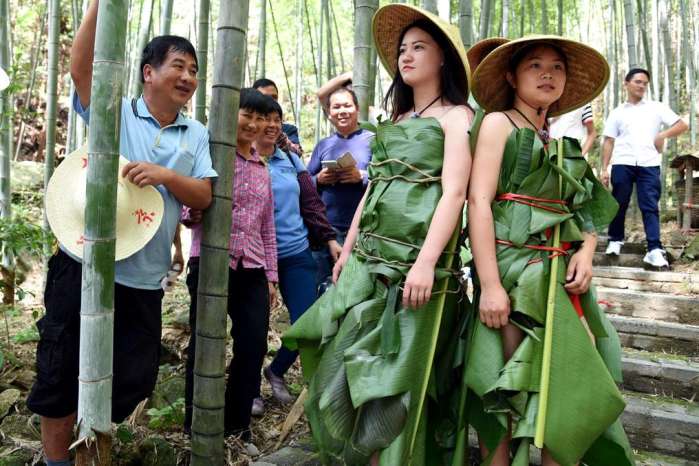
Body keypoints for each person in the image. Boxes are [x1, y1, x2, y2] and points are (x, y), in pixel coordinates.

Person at [26, 2, 217, 465]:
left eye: (193, 69)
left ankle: (89, 449)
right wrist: (99, 5)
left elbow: (205, 196)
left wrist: (165, 175)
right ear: (148, 72)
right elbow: (80, 69)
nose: (188, 76)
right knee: (58, 375)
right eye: (178, 65)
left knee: (134, 378)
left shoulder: (195, 134)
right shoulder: (118, 110)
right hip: (85, 265)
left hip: (143, 280)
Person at [283, 5, 473, 463]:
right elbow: (375, 189)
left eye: (419, 47)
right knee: (342, 360)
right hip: (368, 257)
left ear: (443, 57)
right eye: (403, 49)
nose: (406, 56)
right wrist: (347, 250)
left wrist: (427, 262)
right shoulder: (398, 121)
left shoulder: (458, 117)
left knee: (397, 377)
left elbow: (453, 194)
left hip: (415, 262)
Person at [467, 36, 634, 466]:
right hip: (512, 272)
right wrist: (488, 285)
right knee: (504, 393)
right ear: (510, 76)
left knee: (561, 389)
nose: (547, 74)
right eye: (535, 66)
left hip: (558, 275)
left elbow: (589, 209)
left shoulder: (559, 143)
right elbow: (479, 201)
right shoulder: (497, 123)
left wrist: (587, 250)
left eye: (557, 67)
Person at [181, 88, 277, 441]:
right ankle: (196, 424)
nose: (254, 124)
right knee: (204, 344)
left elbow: (267, 227)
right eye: (246, 115)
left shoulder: (262, 168)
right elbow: (187, 212)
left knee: (253, 346)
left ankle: (239, 427)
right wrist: (197, 207)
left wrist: (271, 274)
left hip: (250, 268)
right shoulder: (210, 156)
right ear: (229, 114)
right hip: (208, 261)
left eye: (261, 117)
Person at [251, 97, 342, 415]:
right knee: (254, 328)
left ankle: (275, 371)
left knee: (308, 323)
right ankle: (250, 391)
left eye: (277, 118)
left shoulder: (290, 160)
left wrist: (329, 239)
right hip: (256, 258)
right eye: (265, 117)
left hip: (296, 252)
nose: (272, 124)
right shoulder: (241, 159)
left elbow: (311, 203)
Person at [601, 68, 688, 267]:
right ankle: (615, 240)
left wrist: (662, 135)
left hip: (649, 163)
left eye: (645, 83)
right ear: (626, 83)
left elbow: (682, 125)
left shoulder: (656, 108)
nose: (642, 86)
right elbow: (608, 141)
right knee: (619, 202)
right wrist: (604, 168)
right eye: (638, 81)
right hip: (623, 162)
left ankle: (654, 249)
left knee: (650, 206)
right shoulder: (617, 112)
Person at [307, 84, 374, 293]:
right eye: (336, 107)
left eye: (347, 105)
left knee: (355, 292)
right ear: (329, 114)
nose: (342, 111)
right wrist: (319, 179)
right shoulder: (323, 145)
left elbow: (387, 177)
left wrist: (361, 176)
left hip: (364, 229)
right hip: (327, 230)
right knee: (322, 290)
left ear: (357, 109)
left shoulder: (372, 140)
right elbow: (305, 184)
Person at [253, 78, 303, 155]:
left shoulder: (288, 129)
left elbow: (297, 153)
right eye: (264, 97)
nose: (270, 100)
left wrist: (281, 139)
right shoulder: (247, 128)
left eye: (274, 97)